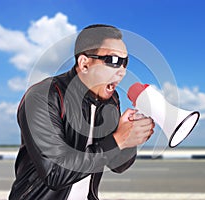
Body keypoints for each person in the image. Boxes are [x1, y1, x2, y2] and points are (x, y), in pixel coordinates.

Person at [9, 24, 155, 200]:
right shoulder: (43, 96)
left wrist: (131, 138)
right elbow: (55, 173)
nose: (122, 71)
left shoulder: (111, 99)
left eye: (125, 62)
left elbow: (118, 165)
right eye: (113, 61)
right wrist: (118, 140)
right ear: (84, 64)